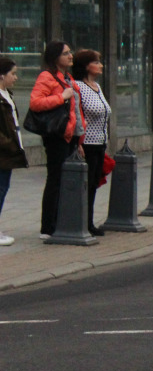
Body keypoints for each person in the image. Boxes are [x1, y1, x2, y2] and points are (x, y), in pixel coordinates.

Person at [29, 40, 86, 239]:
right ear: (55, 58)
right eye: (66, 53)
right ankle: (48, 226)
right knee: (55, 178)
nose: (71, 56)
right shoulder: (47, 77)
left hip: (70, 135)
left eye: (71, 52)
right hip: (56, 135)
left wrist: (79, 141)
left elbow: (76, 112)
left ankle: (62, 221)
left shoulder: (67, 77)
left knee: (66, 179)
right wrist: (61, 97)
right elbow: (35, 103)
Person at [71, 49, 111, 236]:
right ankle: (83, 222)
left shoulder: (97, 86)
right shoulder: (78, 86)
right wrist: (78, 142)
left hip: (100, 142)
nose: (100, 65)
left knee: (94, 182)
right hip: (86, 143)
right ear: (86, 65)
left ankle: (89, 221)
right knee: (86, 184)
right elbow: (78, 115)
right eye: (96, 62)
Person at [0, 57, 29, 246]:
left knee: (3, 188)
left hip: (9, 153)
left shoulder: (7, 95)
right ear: (2, 75)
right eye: (13, 73)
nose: (16, 77)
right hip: (3, 152)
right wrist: (10, 144)